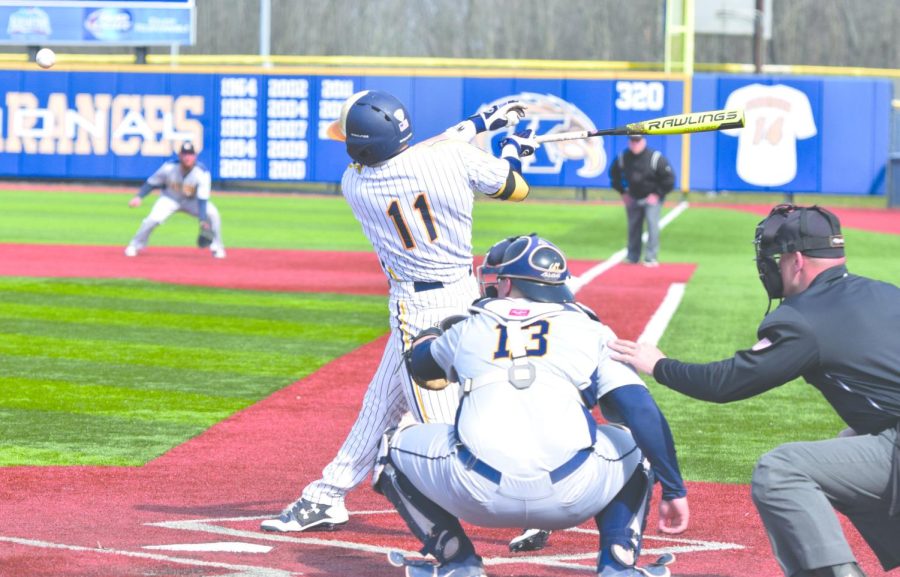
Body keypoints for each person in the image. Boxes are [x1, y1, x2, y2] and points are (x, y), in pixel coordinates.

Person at [260, 90, 540, 534]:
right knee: (381, 402)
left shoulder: (356, 184)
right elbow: (515, 187)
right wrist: (510, 148)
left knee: (444, 435)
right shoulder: (453, 158)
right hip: (464, 297)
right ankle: (327, 494)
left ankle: (529, 502)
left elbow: (429, 150)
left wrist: (480, 123)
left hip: (420, 311)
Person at [373, 234, 690, 577]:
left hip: (476, 493)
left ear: (507, 284)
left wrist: (431, 335)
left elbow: (421, 366)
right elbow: (639, 410)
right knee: (637, 442)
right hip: (573, 496)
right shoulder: (591, 329)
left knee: (392, 445)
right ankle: (618, 562)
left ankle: (457, 561)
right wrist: (674, 489)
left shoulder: (472, 325)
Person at [609, 204, 900, 577]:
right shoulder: (886, 294)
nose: (774, 267)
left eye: (777, 259)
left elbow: (726, 383)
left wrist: (660, 365)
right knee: (852, 438)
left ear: (796, 260)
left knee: (780, 470)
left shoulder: (804, 318)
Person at [125, 142, 226, 259]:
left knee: (213, 214)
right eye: (185, 154)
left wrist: (202, 220)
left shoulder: (202, 173)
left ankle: (217, 247)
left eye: (190, 154)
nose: (187, 157)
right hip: (170, 199)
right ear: (179, 155)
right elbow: (151, 183)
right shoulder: (168, 168)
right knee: (152, 219)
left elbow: (202, 199)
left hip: (192, 202)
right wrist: (139, 196)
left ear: (195, 156)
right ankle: (135, 244)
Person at [608, 135, 675, 267]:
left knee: (652, 226)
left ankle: (651, 257)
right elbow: (613, 175)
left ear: (644, 141)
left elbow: (669, 179)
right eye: (632, 141)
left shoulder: (655, 157)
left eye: (637, 141)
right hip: (633, 196)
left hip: (651, 198)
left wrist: (657, 194)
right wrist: (623, 192)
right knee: (633, 227)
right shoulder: (623, 157)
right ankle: (633, 256)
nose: (634, 144)